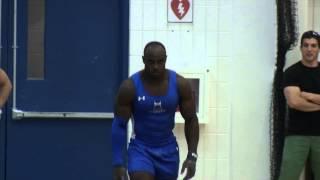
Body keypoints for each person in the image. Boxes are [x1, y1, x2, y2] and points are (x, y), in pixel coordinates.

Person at [111, 41, 199, 180]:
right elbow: (119, 125)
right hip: (140, 149)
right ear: (143, 60)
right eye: (151, 62)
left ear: (166, 60)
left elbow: (191, 120)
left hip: (168, 151)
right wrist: (118, 163)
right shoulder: (130, 87)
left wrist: (192, 156)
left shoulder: (180, 84)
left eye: (160, 62)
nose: (155, 67)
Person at [279, 30, 320, 180]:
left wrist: (308, 96)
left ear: (318, 48)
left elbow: (300, 99)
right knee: (287, 176)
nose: (310, 49)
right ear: (301, 48)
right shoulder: (292, 72)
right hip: (297, 134)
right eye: (306, 45)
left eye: (313, 45)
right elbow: (294, 102)